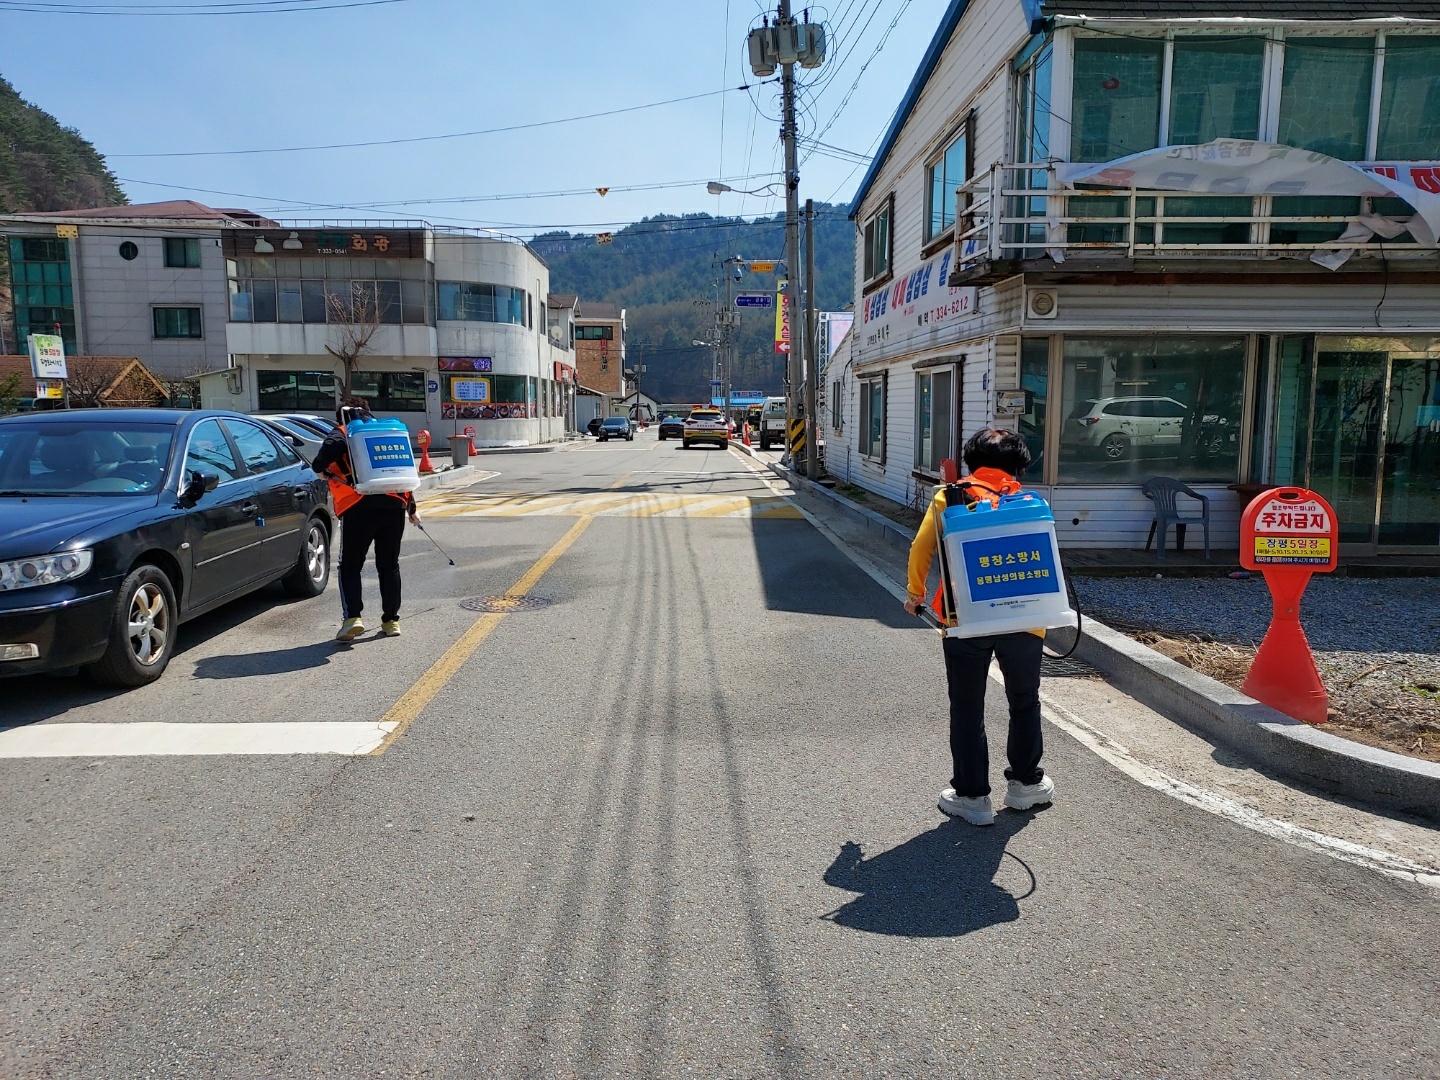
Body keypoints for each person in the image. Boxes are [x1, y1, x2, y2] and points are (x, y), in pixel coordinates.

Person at [904, 428, 1054, 826]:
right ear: (1019, 466)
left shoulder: (950, 497)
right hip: (1025, 619)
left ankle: (972, 798)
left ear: (971, 461)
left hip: (964, 619)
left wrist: (915, 594)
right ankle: (1025, 785)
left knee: (968, 707)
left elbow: (921, 548)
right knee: (1024, 700)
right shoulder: (1030, 502)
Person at [311, 397, 420, 641]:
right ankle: (391, 621)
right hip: (393, 506)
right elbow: (400, 472)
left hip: (357, 507)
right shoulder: (385, 432)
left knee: (350, 566)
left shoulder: (344, 432)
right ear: (368, 412)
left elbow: (326, 454)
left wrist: (320, 468)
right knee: (389, 565)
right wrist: (411, 508)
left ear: (341, 415)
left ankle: (353, 618)